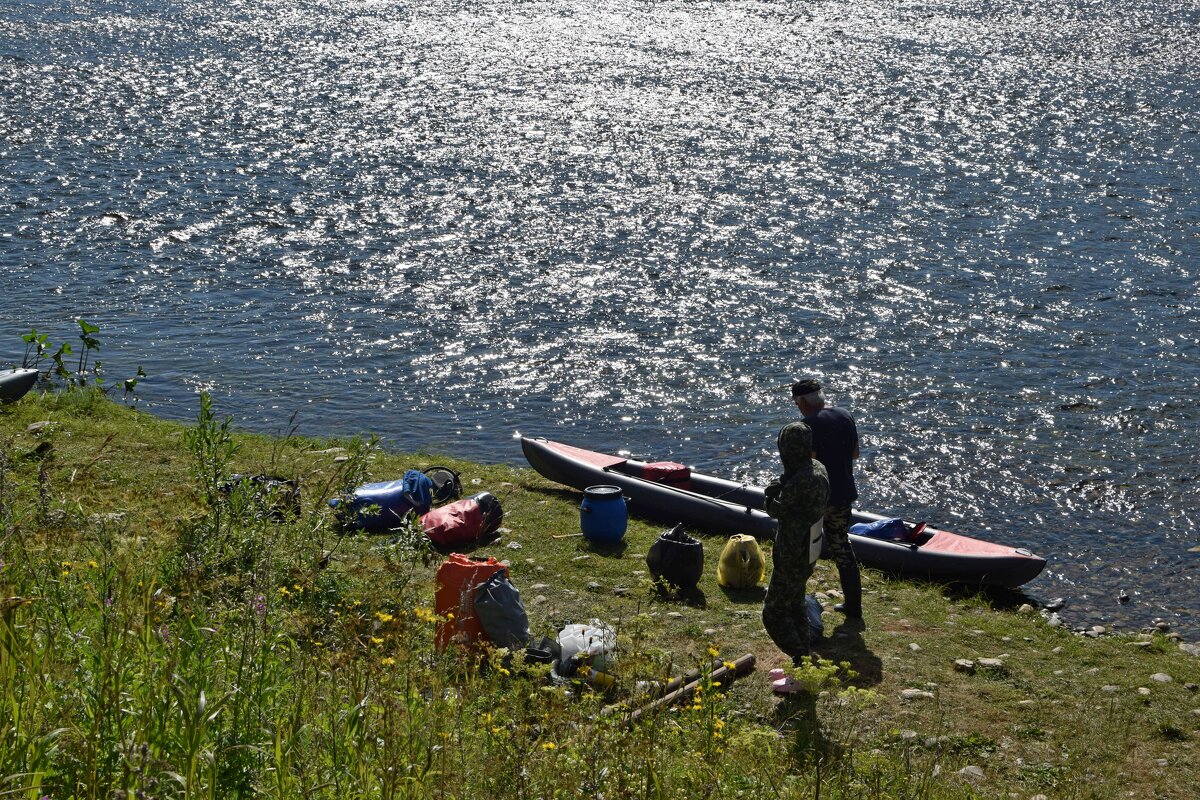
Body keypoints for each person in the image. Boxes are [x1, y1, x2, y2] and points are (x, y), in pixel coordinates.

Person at [762, 421, 829, 692]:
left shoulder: (800, 480)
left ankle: (800, 662)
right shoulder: (818, 468)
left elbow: (775, 508)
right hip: (809, 548)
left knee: (774, 613)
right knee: (796, 604)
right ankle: (802, 667)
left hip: (793, 553)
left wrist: (770, 493)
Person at [791, 377, 863, 622]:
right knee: (842, 547)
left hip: (818, 499)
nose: (798, 408)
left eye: (797, 404)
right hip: (843, 494)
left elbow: (806, 464)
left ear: (803, 402)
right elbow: (855, 453)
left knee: (803, 546)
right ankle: (854, 606)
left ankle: (793, 597)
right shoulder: (845, 415)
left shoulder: (807, 425)